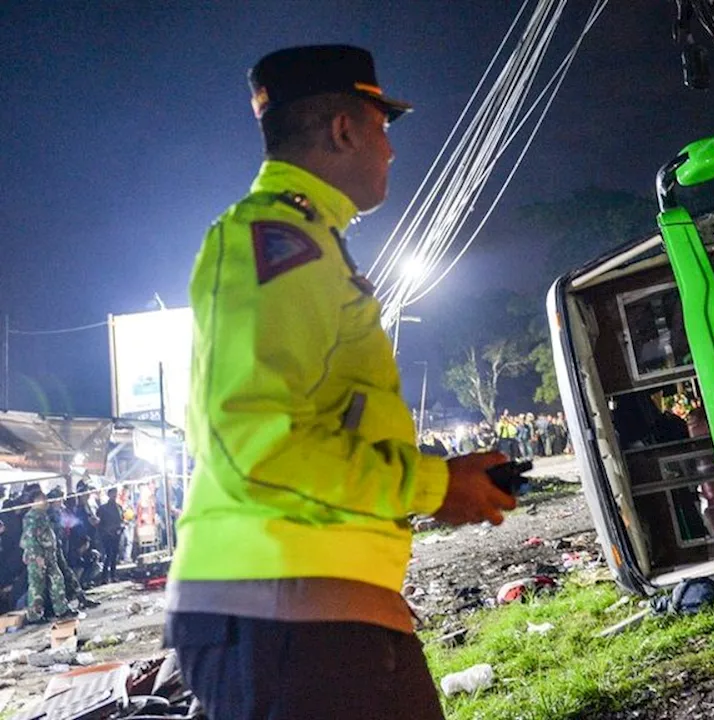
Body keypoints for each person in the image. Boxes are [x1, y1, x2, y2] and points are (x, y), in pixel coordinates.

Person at [165, 45, 516, 720]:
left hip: (318, 606)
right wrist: (435, 487)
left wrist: (442, 477)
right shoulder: (273, 240)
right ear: (343, 130)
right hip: (284, 610)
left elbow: (320, 426)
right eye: (381, 127)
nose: (389, 150)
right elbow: (255, 439)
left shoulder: (308, 241)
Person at [19, 485, 72, 624]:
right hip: (38, 556)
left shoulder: (43, 515)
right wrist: (37, 557)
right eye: (42, 498)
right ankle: (35, 615)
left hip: (49, 555)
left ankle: (61, 609)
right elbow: (30, 539)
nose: (46, 501)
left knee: (57, 580)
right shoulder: (31, 517)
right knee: (37, 586)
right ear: (35, 501)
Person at [97, 488, 124, 583]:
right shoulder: (103, 508)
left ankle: (113, 575)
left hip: (116, 534)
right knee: (108, 555)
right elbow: (99, 523)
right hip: (107, 535)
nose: (114, 495)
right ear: (109, 494)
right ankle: (105, 577)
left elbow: (121, 520)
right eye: (113, 493)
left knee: (114, 555)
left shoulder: (119, 507)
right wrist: (106, 531)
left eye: (115, 493)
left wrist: (120, 528)